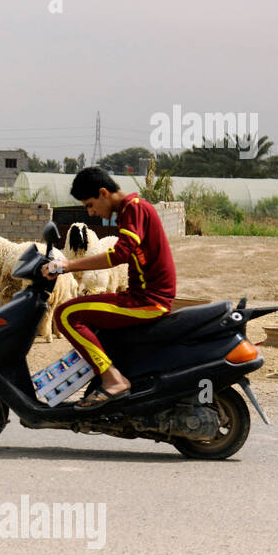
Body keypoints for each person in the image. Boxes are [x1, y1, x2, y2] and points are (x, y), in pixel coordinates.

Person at [43, 166, 177, 410]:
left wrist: (68, 265)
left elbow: (120, 253)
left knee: (65, 313)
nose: (92, 213)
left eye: (90, 205)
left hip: (148, 300)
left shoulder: (134, 209)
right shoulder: (132, 209)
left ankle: (113, 380)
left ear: (104, 193)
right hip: (139, 295)